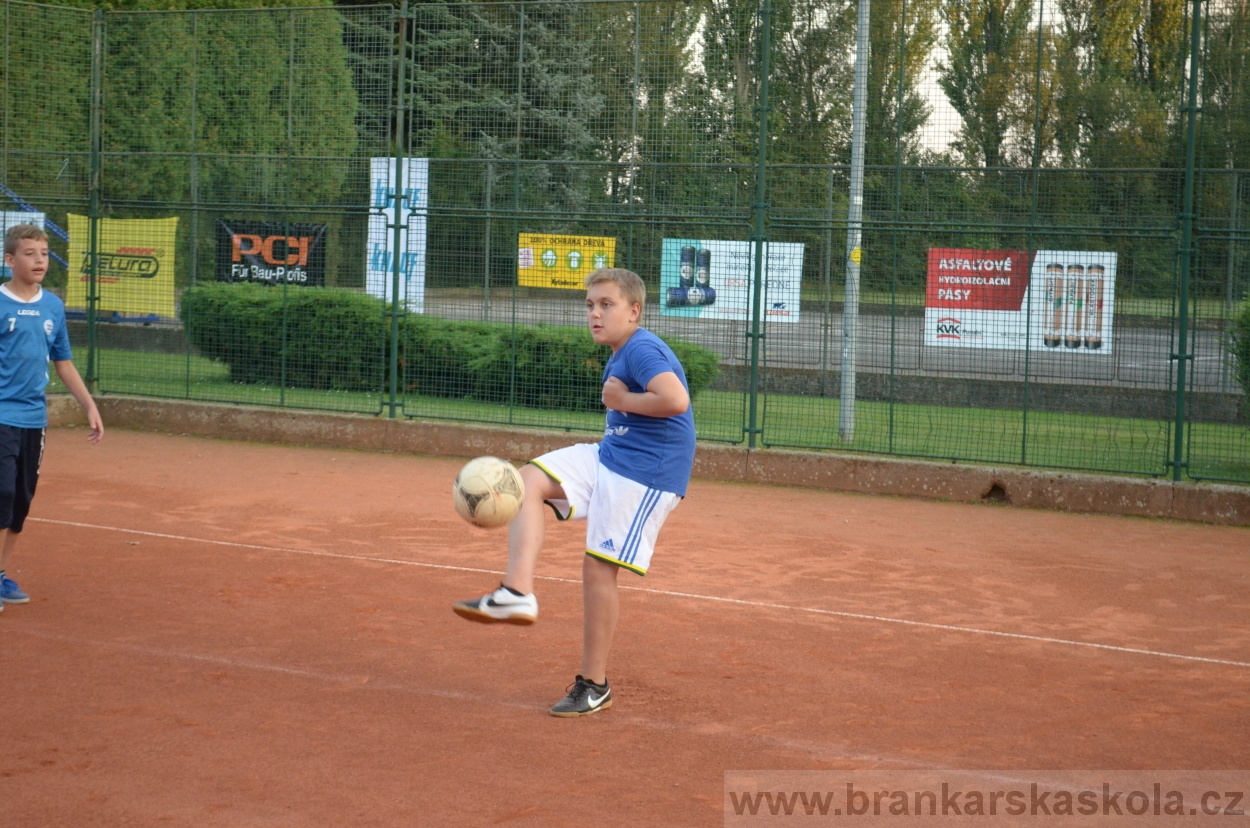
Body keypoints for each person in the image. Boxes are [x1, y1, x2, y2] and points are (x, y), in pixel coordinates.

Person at [453, 267, 696, 717]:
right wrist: (621, 405)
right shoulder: (622, 350)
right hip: (613, 454)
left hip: (647, 472)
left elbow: (675, 400)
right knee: (527, 479)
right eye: (590, 305)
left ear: (634, 310)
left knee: (597, 568)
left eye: (607, 305)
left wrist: (621, 401)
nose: (595, 314)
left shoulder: (641, 347)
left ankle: (594, 684)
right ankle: (516, 592)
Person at [0, 224, 104, 611]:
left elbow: (63, 363)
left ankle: (1, 575)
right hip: (1, 415)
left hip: (33, 417)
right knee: (3, 492)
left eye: (44, 253)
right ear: (10, 260)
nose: (39, 260)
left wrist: (89, 406)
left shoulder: (53, 307)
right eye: (29, 253)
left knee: (21, 501)